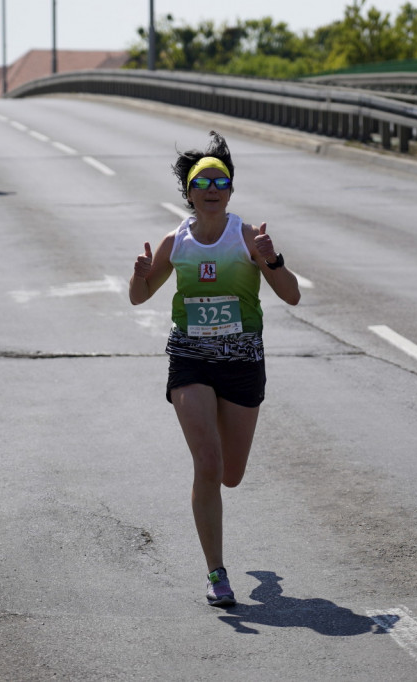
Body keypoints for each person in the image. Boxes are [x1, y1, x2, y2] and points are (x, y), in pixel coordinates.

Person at [129, 132, 301, 607]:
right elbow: (140, 296)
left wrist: (272, 260)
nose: (211, 187)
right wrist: (141, 274)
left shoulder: (247, 237)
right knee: (207, 463)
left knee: (231, 474)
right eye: (201, 180)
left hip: (242, 362)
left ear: (230, 190)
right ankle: (216, 573)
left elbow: (292, 295)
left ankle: (258, 581)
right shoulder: (175, 241)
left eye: (220, 180)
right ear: (189, 192)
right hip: (190, 358)